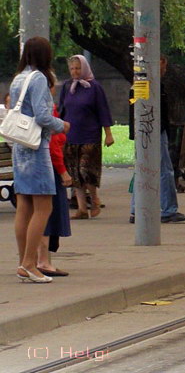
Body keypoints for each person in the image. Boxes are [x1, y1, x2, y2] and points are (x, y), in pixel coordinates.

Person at [11, 36, 70, 283]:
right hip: (37, 148)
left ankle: (23, 261)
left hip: (20, 147)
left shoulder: (18, 78)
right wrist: (62, 125)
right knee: (44, 207)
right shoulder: (39, 79)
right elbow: (43, 116)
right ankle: (30, 263)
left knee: (24, 206)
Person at [129, 56, 185, 224]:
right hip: (154, 131)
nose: (164, 71)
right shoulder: (152, 86)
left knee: (142, 169)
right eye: (162, 68)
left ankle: (136, 208)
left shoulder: (140, 83)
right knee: (165, 170)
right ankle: (168, 208)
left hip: (146, 132)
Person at [59, 54, 114, 219]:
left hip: (90, 134)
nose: (75, 72)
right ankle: (82, 209)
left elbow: (103, 110)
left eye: (78, 68)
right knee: (74, 173)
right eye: (72, 69)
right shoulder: (67, 87)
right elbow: (62, 110)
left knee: (86, 170)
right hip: (71, 135)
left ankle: (94, 198)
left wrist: (108, 134)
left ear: (84, 68)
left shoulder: (94, 87)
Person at [39, 97, 72, 277]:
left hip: (29, 167)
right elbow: (53, 147)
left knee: (35, 213)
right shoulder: (46, 108)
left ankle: (30, 260)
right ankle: (43, 260)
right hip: (49, 169)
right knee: (46, 214)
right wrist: (63, 172)